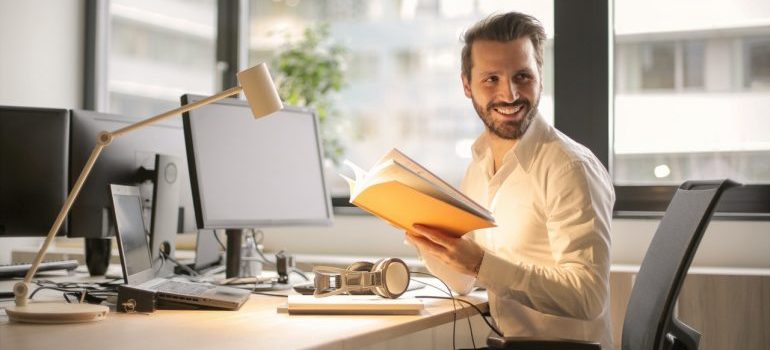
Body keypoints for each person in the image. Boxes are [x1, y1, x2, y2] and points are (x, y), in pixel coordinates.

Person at [405, 12, 615, 349]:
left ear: (539, 77)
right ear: (466, 85)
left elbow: (587, 297)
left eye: (522, 76)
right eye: (491, 79)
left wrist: (479, 262)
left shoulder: (569, 168)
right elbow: (462, 282)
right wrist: (427, 238)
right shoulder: (479, 165)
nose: (510, 94)